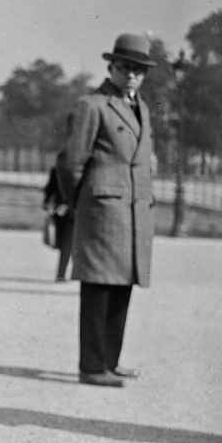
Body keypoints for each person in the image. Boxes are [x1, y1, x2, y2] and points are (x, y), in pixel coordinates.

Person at [55, 32, 156, 387]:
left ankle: (109, 362)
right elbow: (70, 163)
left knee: (121, 287)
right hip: (102, 211)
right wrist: (80, 201)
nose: (132, 76)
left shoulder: (140, 108)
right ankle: (92, 366)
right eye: (126, 68)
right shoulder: (92, 105)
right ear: (111, 67)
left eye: (139, 70)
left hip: (133, 214)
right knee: (98, 288)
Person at [41, 164, 74, 282]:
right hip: (70, 211)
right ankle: (64, 273)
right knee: (68, 244)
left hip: (59, 209)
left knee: (65, 244)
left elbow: (49, 189)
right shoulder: (78, 169)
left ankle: (61, 273)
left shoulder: (57, 169)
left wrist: (46, 203)